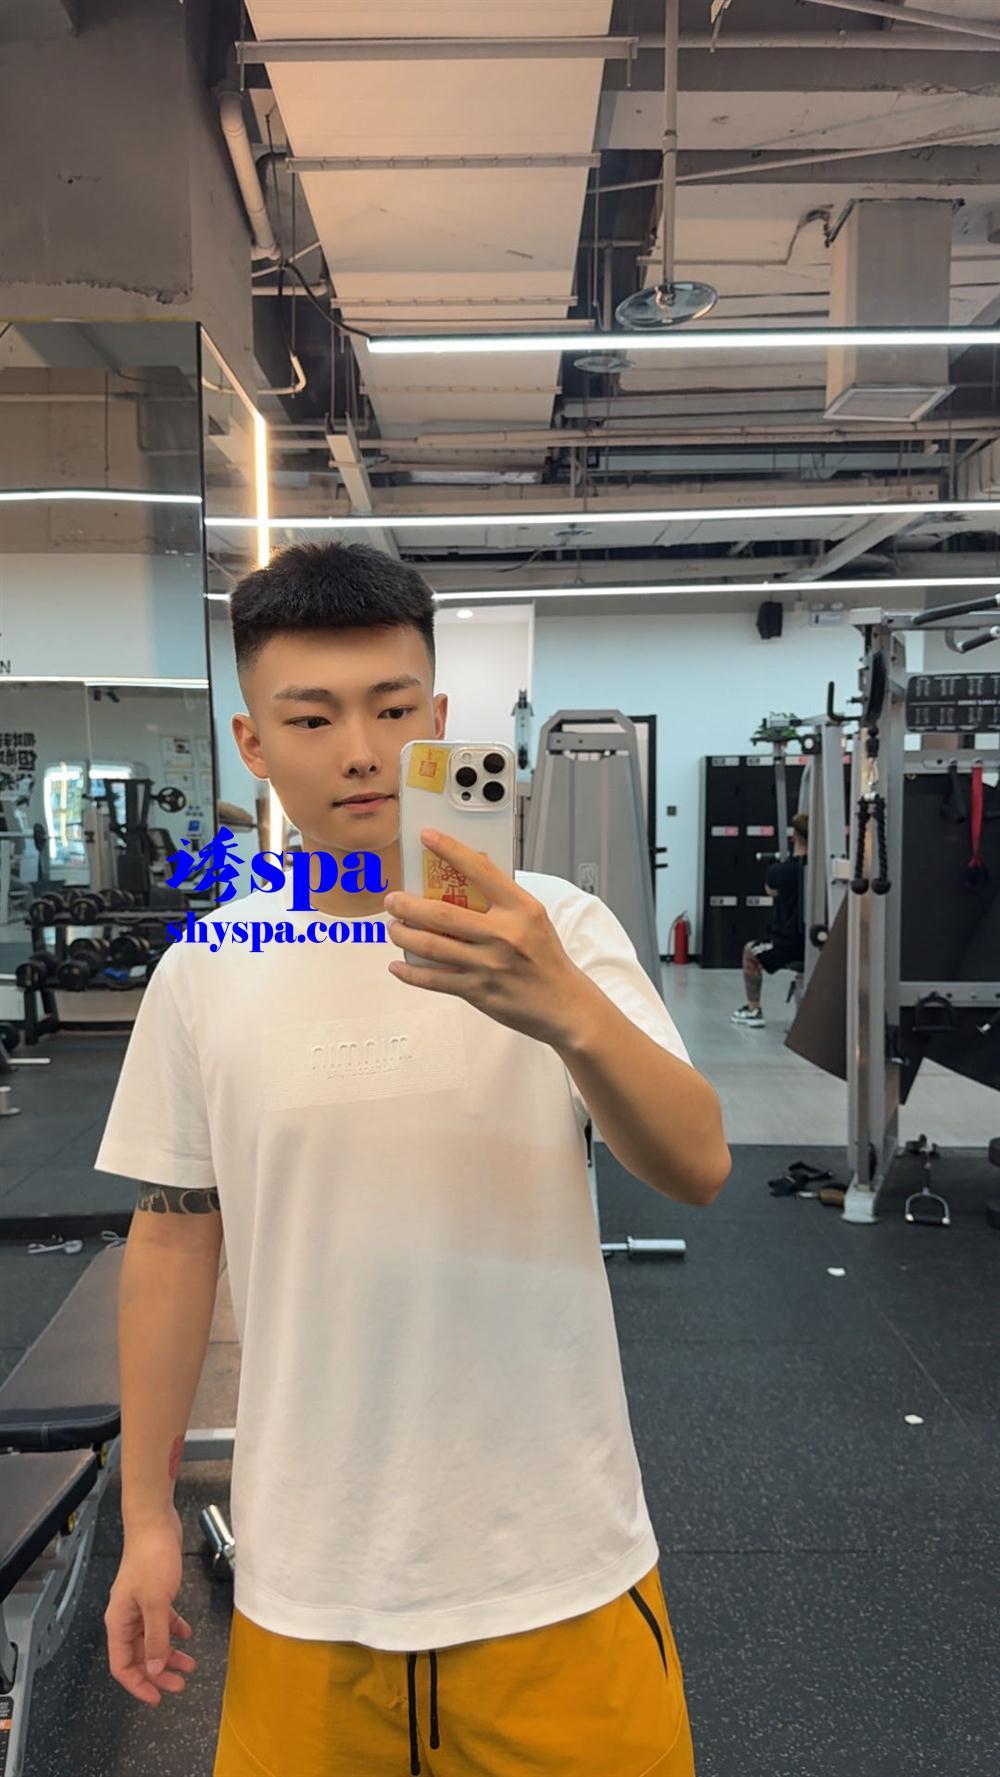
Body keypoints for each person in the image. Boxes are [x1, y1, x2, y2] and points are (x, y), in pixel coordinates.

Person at [99, 540, 731, 1777]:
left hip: (557, 1573)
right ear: (252, 743)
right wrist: (146, 1516)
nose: (361, 751)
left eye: (392, 710)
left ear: (438, 722)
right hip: (307, 1586)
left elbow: (697, 1164)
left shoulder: (558, 929)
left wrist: (564, 1007)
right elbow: (173, 1238)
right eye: (313, 717)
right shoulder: (206, 969)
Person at [732, 810, 808, 1029]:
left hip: (787, 945)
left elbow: (771, 891)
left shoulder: (778, 872)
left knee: (750, 951)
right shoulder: (823, 871)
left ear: (793, 837)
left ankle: (753, 1009)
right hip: (817, 942)